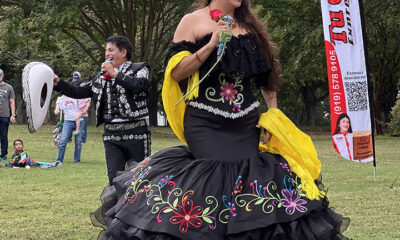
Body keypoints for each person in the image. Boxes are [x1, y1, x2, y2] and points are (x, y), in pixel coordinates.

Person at [90, 1, 350, 239]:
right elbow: (177, 73)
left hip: (247, 123)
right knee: (215, 183)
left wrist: (273, 116)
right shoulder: (192, 21)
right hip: (205, 122)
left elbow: (266, 81)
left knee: (249, 182)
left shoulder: (249, 26)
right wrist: (211, 44)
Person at [53, 36, 151, 184]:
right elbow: (79, 92)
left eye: (111, 50)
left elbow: (139, 85)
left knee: (139, 179)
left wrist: (115, 74)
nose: (107, 54)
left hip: (136, 133)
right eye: (106, 50)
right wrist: (59, 83)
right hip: (111, 135)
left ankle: (139, 207)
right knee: (114, 179)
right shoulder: (100, 77)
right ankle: (116, 207)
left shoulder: (140, 69)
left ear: (123, 52)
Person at [54, 95, 84, 165]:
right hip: (68, 121)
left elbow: (83, 106)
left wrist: (80, 114)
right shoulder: (60, 99)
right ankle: (59, 160)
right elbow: (56, 109)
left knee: (78, 142)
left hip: (79, 121)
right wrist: (56, 110)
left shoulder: (75, 96)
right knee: (63, 140)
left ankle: (77, 161)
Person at [0, 69, 16, 165]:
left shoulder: (9, 87)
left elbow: (12, 101)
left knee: (3, 136)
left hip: (4, 115)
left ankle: (3, 154)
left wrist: (13, 114)